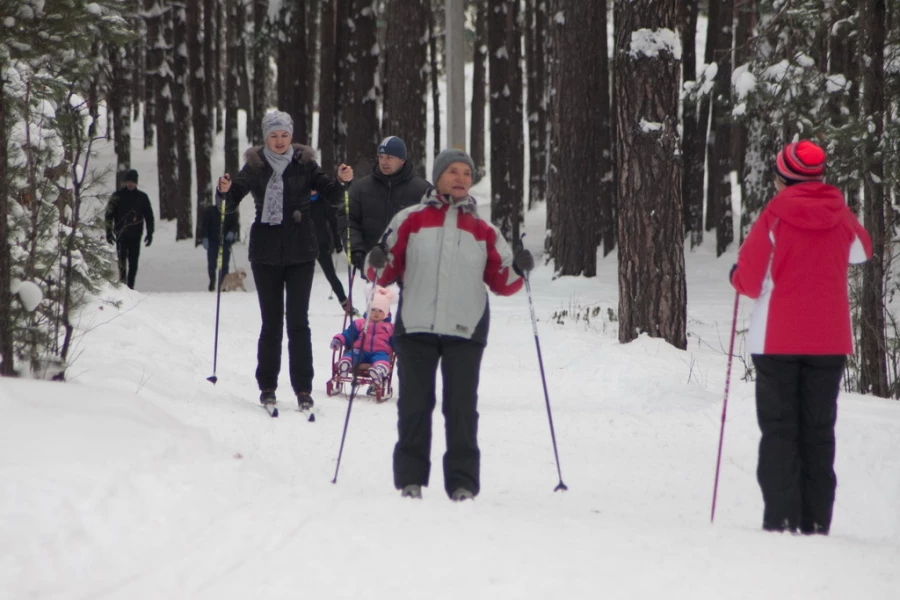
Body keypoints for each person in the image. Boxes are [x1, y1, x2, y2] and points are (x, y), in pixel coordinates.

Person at [365, 148, 534, 501]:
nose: (460, 179)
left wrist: (519, 269)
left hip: (465, 329)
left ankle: (462, 484)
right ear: (438, 176)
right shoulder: (410, 219)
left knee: (460, 408)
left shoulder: (484, 229)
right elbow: (383, 270)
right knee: (414, 404)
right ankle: (410, 481)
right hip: (415, 328)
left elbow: (502, 281)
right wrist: (377, 260)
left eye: (466, 174)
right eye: (453, 172)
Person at [730, 140, 871, 535]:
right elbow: (863, 250)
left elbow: (750, 282)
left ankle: (782, 519)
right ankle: (815, 522)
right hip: (829, 340)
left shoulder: (774, 215)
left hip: (776, 341)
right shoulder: (840, 213)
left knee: (779, 429)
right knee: (818, 429)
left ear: (781, 179)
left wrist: (734, 275)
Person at [216, 110, 353, 411]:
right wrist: (224, 190)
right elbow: (234, 194)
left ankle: (303, 387)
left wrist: (342, 181)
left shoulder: (305, 163)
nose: (279, 141)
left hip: (301, 251)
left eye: (284, 135)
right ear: (265, 138)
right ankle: (267, 386)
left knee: (298, 322)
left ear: (292, 136)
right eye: (273, 136)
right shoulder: (255, 166)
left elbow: (331, 193)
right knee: (271, 322)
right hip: (265, 253)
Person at [346, 136, 431, 278]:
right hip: (374, 268)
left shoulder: (422, 190)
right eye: (381, 157)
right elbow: (349, 221)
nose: (384, 162)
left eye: (390, 157)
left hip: (410, 272)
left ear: (402, 160)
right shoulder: (361, 188)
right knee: (378, 301)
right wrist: (356, 251)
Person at [329, 285, 394, 391]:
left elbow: (396, 342)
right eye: (373, 309)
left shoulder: (390, 328)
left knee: (382, 360)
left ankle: (378, 371)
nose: (376, 313)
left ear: (386, 313)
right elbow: (348, 334)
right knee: (352, 354)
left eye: (380, 310)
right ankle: (345, 364)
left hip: (380, 352)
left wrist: (402, 349)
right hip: (360, 350)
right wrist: (339, 339)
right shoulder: (360, 323)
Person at [105, 169, 154, 290]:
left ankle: (130, 286)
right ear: (125, 182)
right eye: (128, 181)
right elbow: (109, 215)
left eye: (132, 182)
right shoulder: (117, 196)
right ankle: (122, 284)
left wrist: (150, 233)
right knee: (121, 260)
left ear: (136, 183)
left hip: (136, 234)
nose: (130, 184)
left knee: (133, 262)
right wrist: (108, 232)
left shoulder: (142, 197)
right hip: (121, 234)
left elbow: (149, 216)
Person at [309, 187, 355, 314]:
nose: (312, 190)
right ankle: (292, 307)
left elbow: (333, 222)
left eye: (314, 188)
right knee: (300, 277)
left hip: (321, 244)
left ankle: (345, 303)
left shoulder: (323, 202)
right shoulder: (301, 202)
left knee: (330, 274)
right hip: (304, 245)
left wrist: (337, 242)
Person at [200, 203, 240, 292]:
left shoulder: (231, 211)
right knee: (212, 264)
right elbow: (205, 225)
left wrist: (232, 232)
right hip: (212, 241)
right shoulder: (210, 211)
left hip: (225, 242)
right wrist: (205, 237)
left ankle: (223, 283)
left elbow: (235, 225)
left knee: (224, 264)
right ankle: (212, 281)